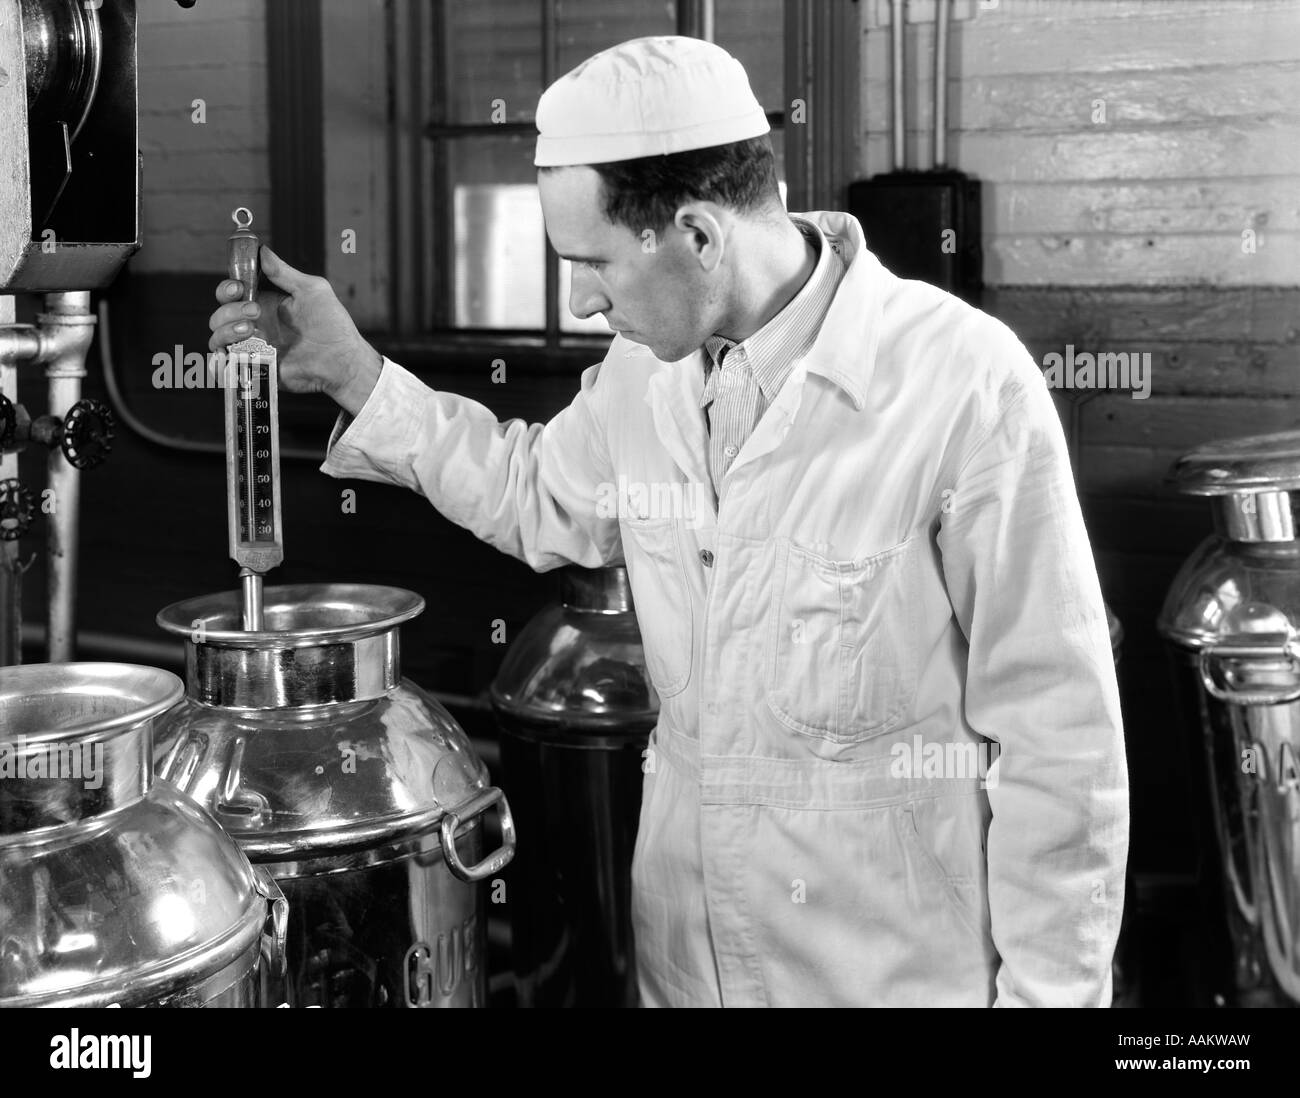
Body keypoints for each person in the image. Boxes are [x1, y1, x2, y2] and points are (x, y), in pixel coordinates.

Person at [208, 35, 1129, 1007]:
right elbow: (532, 493)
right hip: (687, 972)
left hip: (887, 980)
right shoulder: (640, 381)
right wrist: (354, 372)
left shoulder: (961, 386)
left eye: (591, 262)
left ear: (695, 235)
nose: (581, 299)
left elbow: (1058, 744)